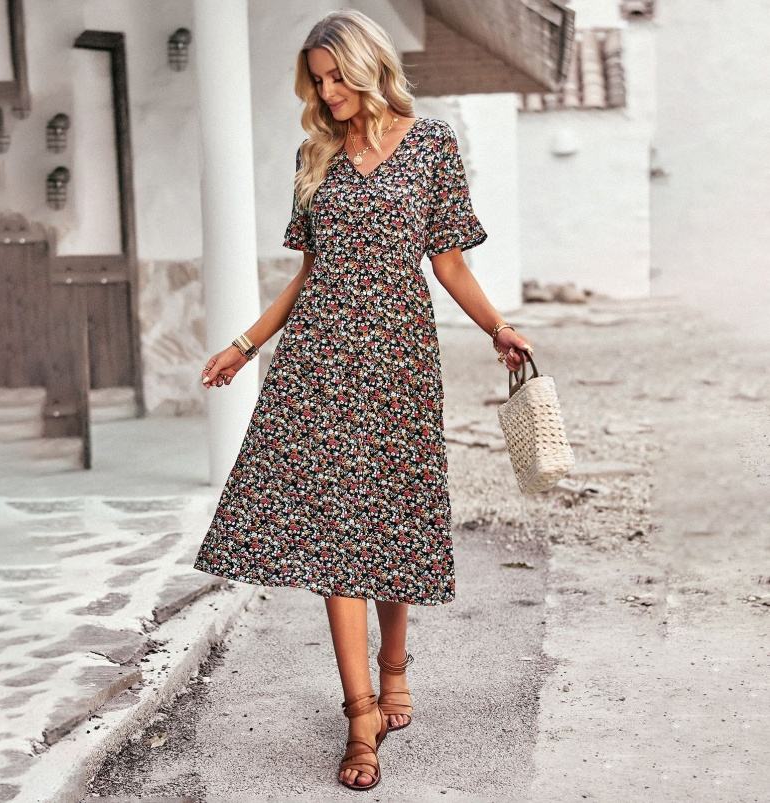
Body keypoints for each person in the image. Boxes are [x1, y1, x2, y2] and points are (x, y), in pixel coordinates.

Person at [192, 9, 533, 792]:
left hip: (399, 362)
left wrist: (497, 326)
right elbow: (307, 275)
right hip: (318, 363)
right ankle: (360, 717)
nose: (327, 92)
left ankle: (394, 667)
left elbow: (447, 263)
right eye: (317, 81)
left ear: (370, 66)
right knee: (336, 534)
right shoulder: (315, 154)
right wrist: (244, 346)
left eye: (336, 76)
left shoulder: (433, 144)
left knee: (392, 517)